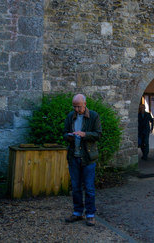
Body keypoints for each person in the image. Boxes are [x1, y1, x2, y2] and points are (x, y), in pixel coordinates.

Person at [63, 93, 102, 226]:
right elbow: (64, 133)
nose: (76, 109)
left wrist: (84, 134)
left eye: (79, 106)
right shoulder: (70, 116)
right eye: (74, 106)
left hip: (88, 158)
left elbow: (98, 134)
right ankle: (78, 213)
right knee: (75, 187)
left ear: (85, 104)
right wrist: (70, 136)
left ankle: (90, 214)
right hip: (74, 157)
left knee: (89, 188)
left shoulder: (94, 116)